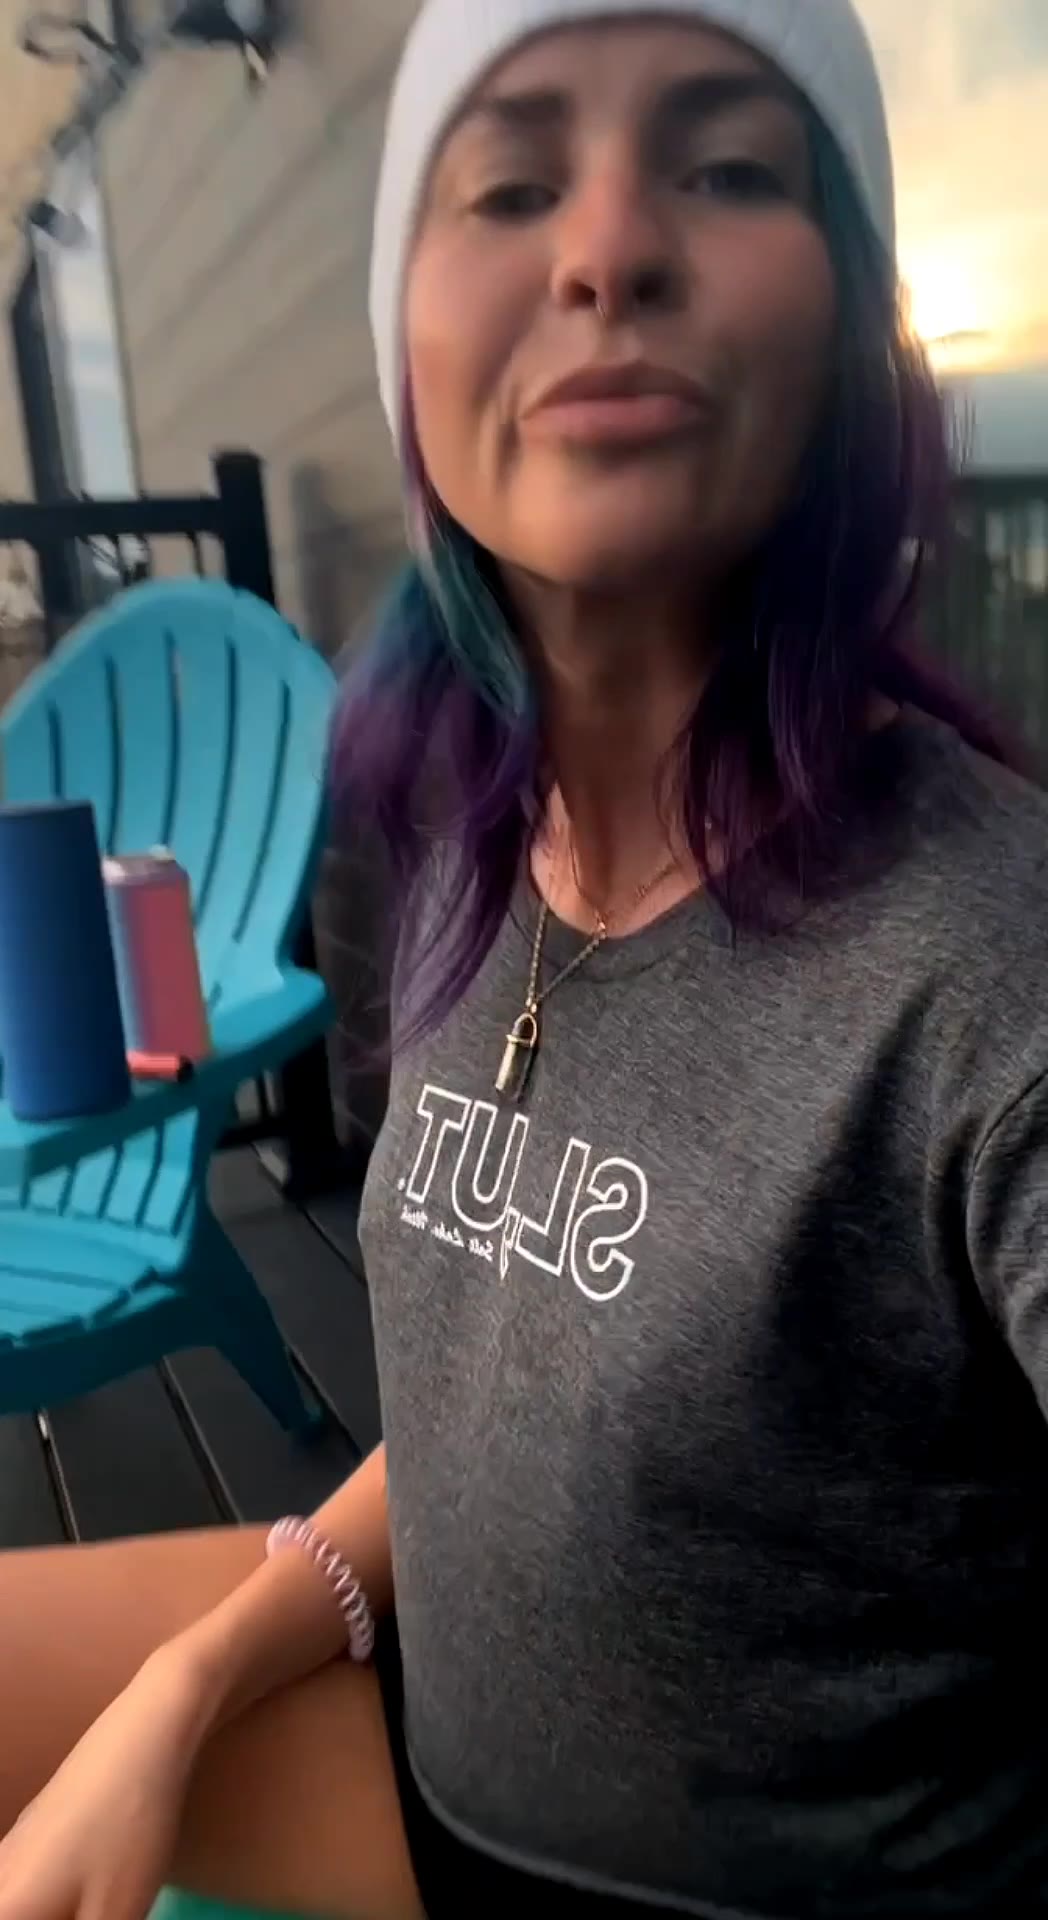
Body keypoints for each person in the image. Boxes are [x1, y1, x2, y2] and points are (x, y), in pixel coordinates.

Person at [1, 0, 1047, 1915]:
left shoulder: (994, 974)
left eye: (728, 164)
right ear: (408, 350)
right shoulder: (479, 855)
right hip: (427, 1789)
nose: (609, 247)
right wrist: (189, 1681)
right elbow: (491, 1417)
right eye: (507, 185)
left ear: (852, 324)